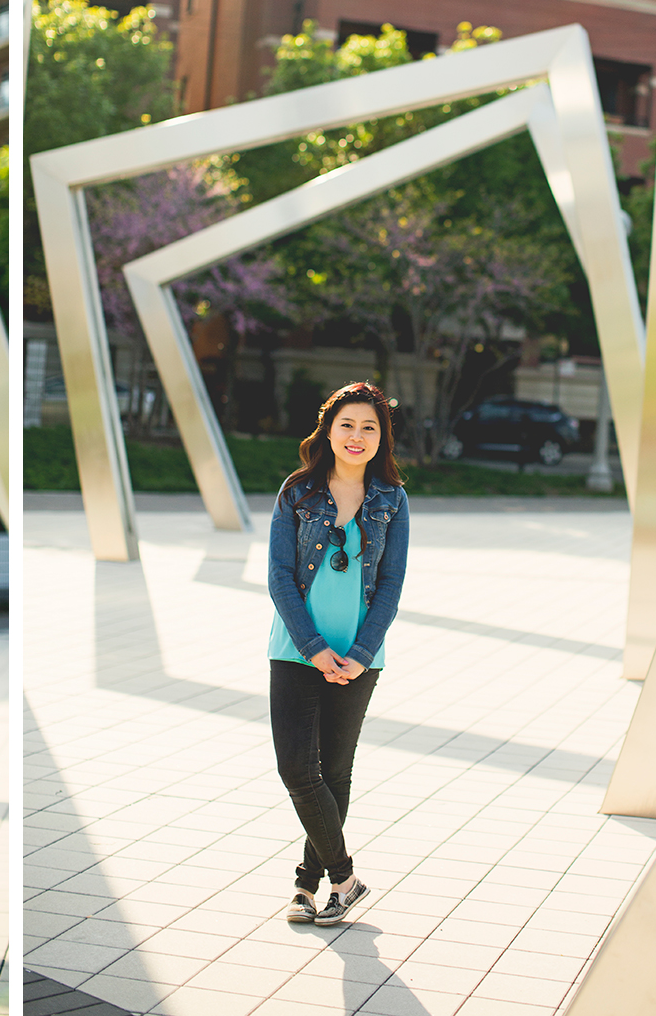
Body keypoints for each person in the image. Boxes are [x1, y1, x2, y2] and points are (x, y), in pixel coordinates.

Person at [266, 381, 408, 926]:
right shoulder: (297, 491)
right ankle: (346, 878)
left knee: (335, 773)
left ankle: (307, 886)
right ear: (328, 429)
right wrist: (314, 647)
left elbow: (391, 583)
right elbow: (280, 577)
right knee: (298, 769)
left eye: (369, 427)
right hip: (296, 651)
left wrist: (361, 650)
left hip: (360, 657)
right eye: (347, 424)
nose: (357, 436)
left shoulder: (392, 500)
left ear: (381, 438)